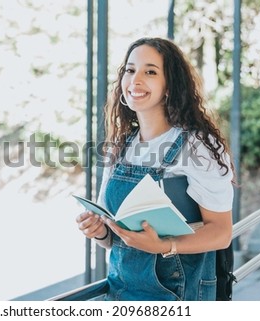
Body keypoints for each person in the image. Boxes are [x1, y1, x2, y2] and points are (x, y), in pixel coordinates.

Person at [75, 37, 234, 301]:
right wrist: (100, 231)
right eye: (130, 70)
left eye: (150, 71)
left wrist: (165, 246)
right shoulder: (119, 147)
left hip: (179, 296)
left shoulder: (197, 147)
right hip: (120, 294)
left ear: (169, 86)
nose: (135, 80)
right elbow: (115, 239)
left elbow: (221, 232)